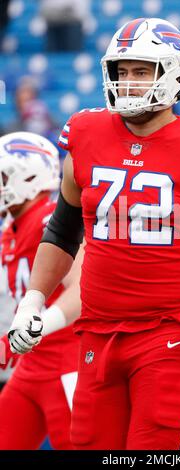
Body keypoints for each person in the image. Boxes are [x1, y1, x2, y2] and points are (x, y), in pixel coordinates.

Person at [8, 18, 180, 450]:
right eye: (121, 71)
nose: (128, 82)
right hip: (97, 331)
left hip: (171, 330)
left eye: (142, 71)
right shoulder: (85, 134)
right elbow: (62, 232)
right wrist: (33, 299)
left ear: (174, 74)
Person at [0, 131, 82, 449]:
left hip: (69, 363)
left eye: (4, 176)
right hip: (30, 367)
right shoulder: (10, 231)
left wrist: (38, 326)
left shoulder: (50, 219)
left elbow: (82, 287)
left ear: (29, 175)